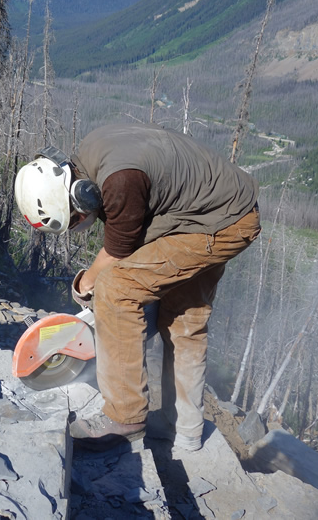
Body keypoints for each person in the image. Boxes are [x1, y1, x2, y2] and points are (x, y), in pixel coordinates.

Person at [14, 122, 260, 451]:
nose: (79, 223)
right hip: (213, 210)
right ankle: (186, 430)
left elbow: (116, 257)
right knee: (183, 317)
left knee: (116, 290)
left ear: (80, 195)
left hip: (222, 222)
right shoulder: (91, 153)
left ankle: (124, 417)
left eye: (75, 218)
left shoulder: (119, 182)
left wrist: (85, 286)